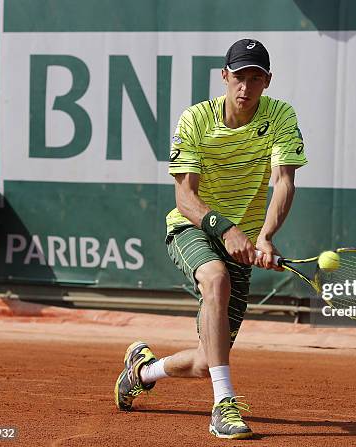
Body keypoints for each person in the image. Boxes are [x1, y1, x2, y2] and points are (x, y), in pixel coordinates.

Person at [114, 38, 307, 440]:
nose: (245, 87)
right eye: (238, 77)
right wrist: (225, 227)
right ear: (224, 76)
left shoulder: (281, 117)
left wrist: (266, 236)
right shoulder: (195, 119)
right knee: (215, 277)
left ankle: (142, 371)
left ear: (267, 81)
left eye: (255, 78)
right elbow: (185, 197)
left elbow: (284, 181)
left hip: (246, 240)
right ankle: (224, 405)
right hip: (192, 227)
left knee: (206, 362)